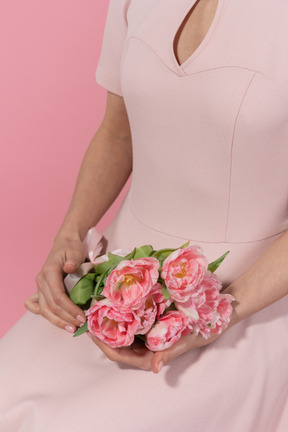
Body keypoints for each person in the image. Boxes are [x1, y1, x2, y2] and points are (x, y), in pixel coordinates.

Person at [1, 0, 288, 430]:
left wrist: (216, 316)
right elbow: (117, 133)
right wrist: (69, 237)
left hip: (250, 297)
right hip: (113, 278)